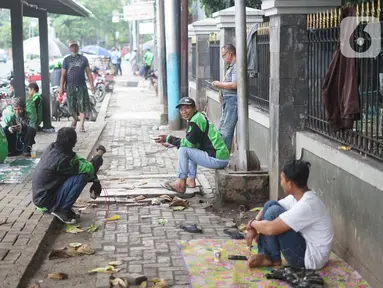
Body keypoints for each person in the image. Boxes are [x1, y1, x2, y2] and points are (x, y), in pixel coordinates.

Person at [246, 160, 334, 270]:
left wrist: (252, 224)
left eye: (281, 179)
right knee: (270, 205)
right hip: (305, 245)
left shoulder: (308, 205)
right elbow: (267, 207)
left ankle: (272, 258)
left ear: (290, 184)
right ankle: (265, 254)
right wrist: (253, 225)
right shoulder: (298, 196)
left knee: (273, 213)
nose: (280, 182)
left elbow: (270, 229)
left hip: (309, 259)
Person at [155, 97, 229, 197]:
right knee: (188, 149)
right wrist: (171, 144)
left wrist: (168, 138)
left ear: (195, 108)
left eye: (187, 108)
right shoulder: (198, 117)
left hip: (217, 158)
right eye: (181, 109)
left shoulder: (195, 121)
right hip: (221, 157)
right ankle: (190, 180)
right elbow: (193, 142)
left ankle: (181, 184)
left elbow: (188, 144)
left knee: (184, 150)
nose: (184, 112)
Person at [32, 127, 106, 224]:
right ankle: (61, 210)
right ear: (72, 142)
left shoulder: (53, 147)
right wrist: (98, 156)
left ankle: (61, 206)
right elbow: (89, 169)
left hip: (41, 196)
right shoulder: (63, 160)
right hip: (45, 201)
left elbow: (78, 159)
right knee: (81, 177)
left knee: (78, 173)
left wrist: (95, 179)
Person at [59, 40, 95, 132]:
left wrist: (92, 85)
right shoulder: (66, 60)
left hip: (81, 86)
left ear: (78, 47)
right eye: (72, 46)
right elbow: (63, 75)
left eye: (75, 46)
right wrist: (61, 87)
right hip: (70, 87)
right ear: (69, 48)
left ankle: (82, 125)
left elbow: (88, 73)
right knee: (71, 107)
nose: (74, 48)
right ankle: (75, 119)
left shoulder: (83, 59)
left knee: (82, 106)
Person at [212, 44, 238, 152]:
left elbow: (235, 84)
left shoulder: (237, 66)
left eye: (223, 55)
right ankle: (220, 153)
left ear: (230, 53)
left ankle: (222, 156)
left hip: (232, 100)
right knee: (222, 128)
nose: (223, 58)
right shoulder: (231, 66)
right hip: (228, 100)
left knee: (226, 130)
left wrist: (220, 85)